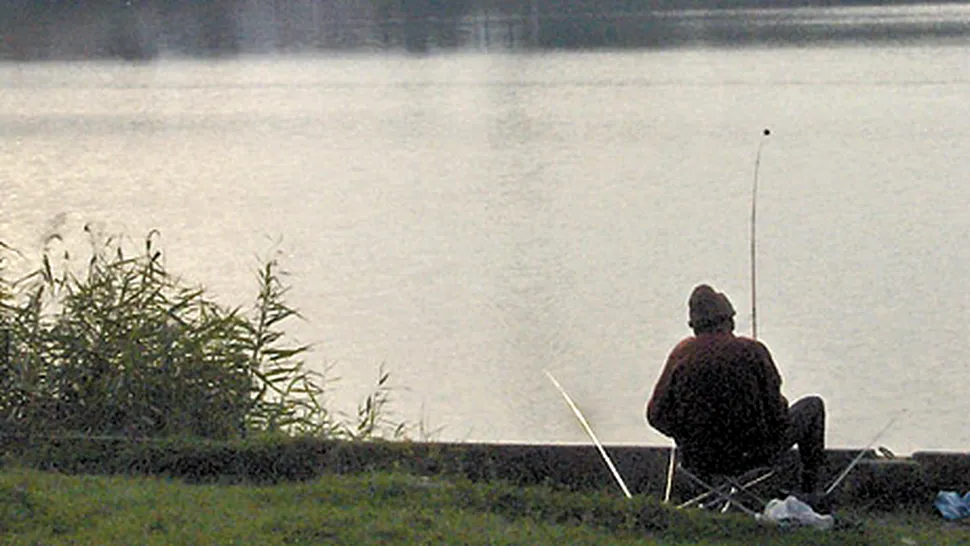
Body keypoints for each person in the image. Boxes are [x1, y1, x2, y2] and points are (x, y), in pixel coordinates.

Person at [646, 284, 827, 494]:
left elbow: (655, 415)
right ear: (729, 320)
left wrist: (687, 438)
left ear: (694, 326)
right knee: (813, 405)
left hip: (699, 460)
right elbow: (777, 414)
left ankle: (705, 495)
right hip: (753, 456)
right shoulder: (752, 350)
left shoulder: (682, 353)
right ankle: (811, 494)